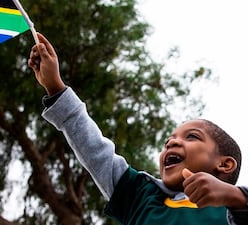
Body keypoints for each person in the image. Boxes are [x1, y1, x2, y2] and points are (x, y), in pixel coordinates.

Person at [28, 32, 248, 225]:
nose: (171, 142)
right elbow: (95, 151)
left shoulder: (233, 212)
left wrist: (238, 197)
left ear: (225, 164)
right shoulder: (138, 195)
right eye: (168, 141)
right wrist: (56, 87)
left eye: (192, 136)